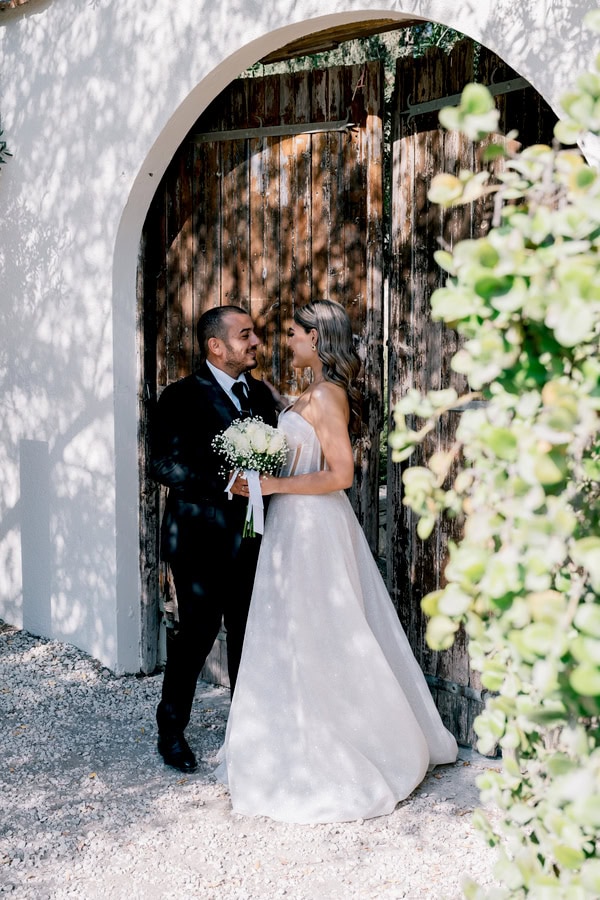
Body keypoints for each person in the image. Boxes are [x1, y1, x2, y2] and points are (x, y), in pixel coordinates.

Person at [216, 299, 458, 823]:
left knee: (322, 629)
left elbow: (341, 474)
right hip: (288, 525)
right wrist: (254, 476)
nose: (290, 343)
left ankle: (347, 742)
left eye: (296, 335)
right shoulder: (306, 395)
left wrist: (272, 482)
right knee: (288, 632)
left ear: (318, 338)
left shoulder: (327, 396)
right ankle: (283, 737)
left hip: (314, 526)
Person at [150, 305, 278, 773]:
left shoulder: (260, 394)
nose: (256, 342)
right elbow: (162, 465)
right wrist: (225, 483)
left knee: (251, 634)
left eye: (255, 334)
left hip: (255, 538)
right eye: (245, 335)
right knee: (197, 636)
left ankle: (248, 733)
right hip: (200, 541)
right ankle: (170, 729)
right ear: (216, 346)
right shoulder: (181, 397)